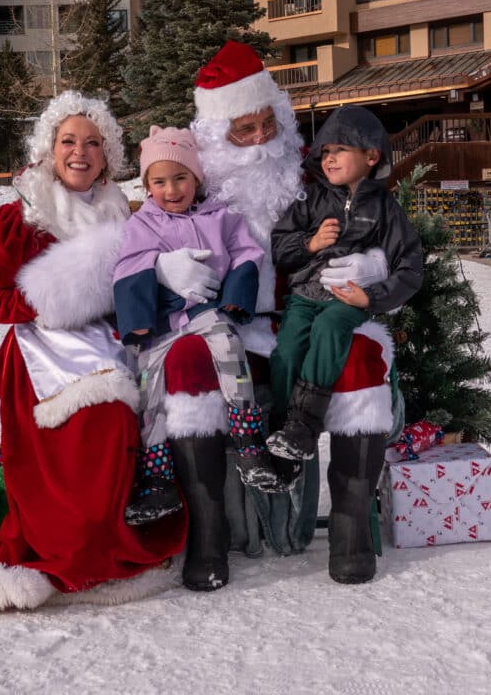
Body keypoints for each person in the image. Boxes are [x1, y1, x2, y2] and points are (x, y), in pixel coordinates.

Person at [150, 40, 403, 589]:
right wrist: (165, 270)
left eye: (269, 124)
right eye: (244, 130)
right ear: (218, 138)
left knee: (360, 357)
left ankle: (350, 525)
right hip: (223, 327)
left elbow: (382, 221)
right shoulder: (187, 188)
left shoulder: (316, 180)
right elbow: (141, 237)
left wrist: (369, 262)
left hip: (312, 315)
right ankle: (208, 533)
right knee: (191, 362)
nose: (262, 140)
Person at [0, 92, 185, 614]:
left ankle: (112, 541)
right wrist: (58, 297)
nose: (81, 152)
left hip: (108, 340)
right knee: (92, 421)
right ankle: (70, 549)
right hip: (42, 348)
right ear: (49, 149)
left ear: (107, 154)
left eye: (93, 143)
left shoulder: (119, 211)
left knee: (129, 416)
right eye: (69, 141)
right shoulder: (22, 215)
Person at [269, 106, 423, 582]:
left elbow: (410, 269)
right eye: (326, 151)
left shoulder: (386, 210)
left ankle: (306, 417)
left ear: (371, 155)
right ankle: (284, 434)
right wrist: (311, 245)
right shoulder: (314, 201)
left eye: (340, 150)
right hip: (305, 296)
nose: (329, 158)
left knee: (334, 329)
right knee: (287, 349)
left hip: (348, 299)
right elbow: (279, 244)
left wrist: (371, 294)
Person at [113, 126, 289, 528]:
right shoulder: (143, 223)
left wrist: (234, 295)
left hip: (204, 311)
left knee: (228, 346)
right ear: (148, 184)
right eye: (159, 182)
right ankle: (159, 476)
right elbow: (127, 265)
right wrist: (148, 294)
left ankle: (247, 440)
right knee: (149, 388)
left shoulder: (220, 216)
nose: (171, 190)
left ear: (197, 179)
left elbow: (247, 252)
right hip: (161, 321)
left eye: (181, 178)